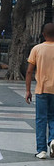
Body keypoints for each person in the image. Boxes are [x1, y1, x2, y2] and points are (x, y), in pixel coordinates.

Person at [25, 22, 54, 159]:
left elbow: (29, 71)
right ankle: (53, 140)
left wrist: (27, 91)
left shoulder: (37, 49)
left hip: (41, 90)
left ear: (43, 34)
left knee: (41, 119)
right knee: (53, 117)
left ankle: (41, 150)